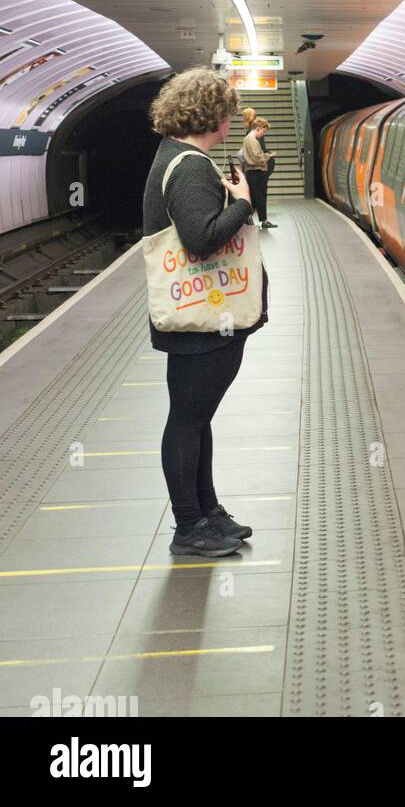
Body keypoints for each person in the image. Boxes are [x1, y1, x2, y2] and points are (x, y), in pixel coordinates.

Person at [143, 68, 269, 557]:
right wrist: (242, 202)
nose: (229, 126)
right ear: (213, 117)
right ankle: (188, 526)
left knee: (196, 417)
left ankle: (208, 512)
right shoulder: (191, 165)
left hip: (200, 317)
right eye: (228, 117)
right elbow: (201, 238)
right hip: (202, 319)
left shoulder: (174, 156)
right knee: (187, 420)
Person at [241, 117, 276, 228]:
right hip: (256, 171)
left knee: (256, 197)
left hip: (254, 172)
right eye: (263, 131)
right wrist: (268, 156)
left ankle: (256, 221)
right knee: (259, 197)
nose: (263, 134)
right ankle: (259, 221)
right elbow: (257, 158)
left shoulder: (250, 139)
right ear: (258, 128)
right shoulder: (252, 139)